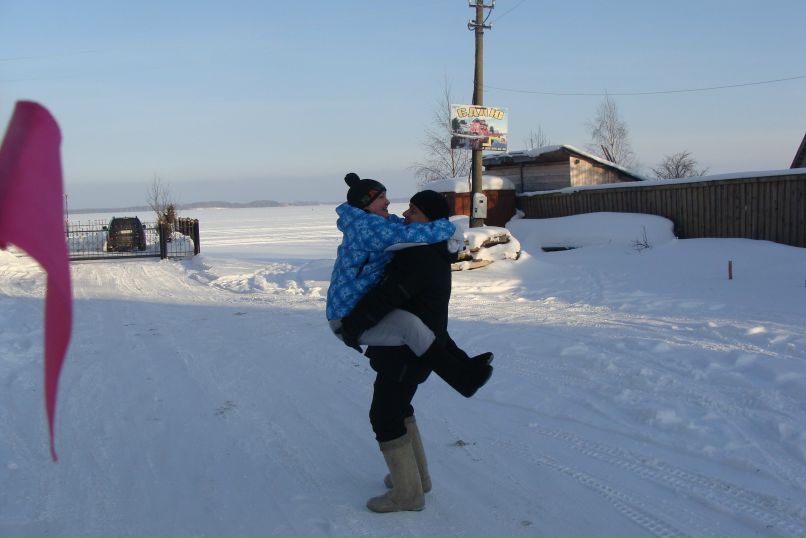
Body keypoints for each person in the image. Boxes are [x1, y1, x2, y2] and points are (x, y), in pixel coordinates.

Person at [338, 189, 494, 513]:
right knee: (400, 409)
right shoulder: (431, 249)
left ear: (429, 219)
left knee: (383, 415)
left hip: (405, 352)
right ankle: (417, 479)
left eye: (414, 211)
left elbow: (386, 296)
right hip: (414, 348)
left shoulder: (418, 256)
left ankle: (408, 494)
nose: (406, 215)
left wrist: (352, 325)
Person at [326, 173, 481, 366]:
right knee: (412, 328)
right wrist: (447, 228)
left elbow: (400, 224)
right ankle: (463, 376)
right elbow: (405, 233)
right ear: (366, 203)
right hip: (347, 315)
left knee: (422, 325)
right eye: (381, 197)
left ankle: (466, 367)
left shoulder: (375, 222)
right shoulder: (367, 226)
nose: (387, 201)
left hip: (355, 307)